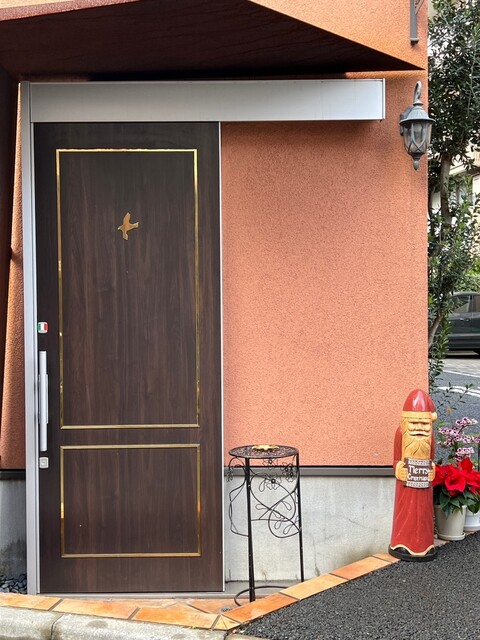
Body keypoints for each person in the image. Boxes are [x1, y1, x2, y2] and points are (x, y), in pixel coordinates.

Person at [388, 388, 437, 561]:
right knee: (405, 513)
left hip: (424, 486)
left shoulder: (430, 436)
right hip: (406, 486)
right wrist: (399, 468)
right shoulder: (400, 434)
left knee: (424, 513)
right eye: (414, 423)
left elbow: (432, 459)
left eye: (424, 424)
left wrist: (432, 469)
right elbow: (396, 459)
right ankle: (401, 542)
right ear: (405, 422)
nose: (419, 428)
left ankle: (425, 544)